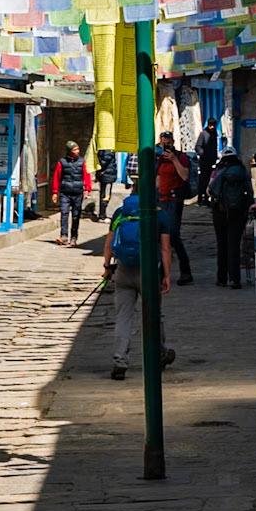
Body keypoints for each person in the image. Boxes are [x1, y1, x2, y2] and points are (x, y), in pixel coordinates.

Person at [102, 191, 174, 382]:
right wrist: (166, 274)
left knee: (123, 318)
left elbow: (109, 243)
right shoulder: (159, 214)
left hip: (124, 270)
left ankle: (120, 362)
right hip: (149, 272)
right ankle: (158, 355)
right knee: (153, 314)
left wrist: (107, 267)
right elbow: (166, 248)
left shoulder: (121, 213)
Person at [208, 143, 252, 289]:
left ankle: (222, 278)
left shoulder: (219, 171)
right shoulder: (242, 171)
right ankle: (235, 279)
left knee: (222, 244)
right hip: (238, 212)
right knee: (234, 244)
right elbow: (249, 192)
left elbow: (210, 190)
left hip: (220, 211)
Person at [155, 131, 193, 285]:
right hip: (161, 199)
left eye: (169, 143)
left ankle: (184, 271)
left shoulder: (181, 157)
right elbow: (157, 178)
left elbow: (185, 176)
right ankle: (163, 271)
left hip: (174, 199)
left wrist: (174, 160)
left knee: (172, 235)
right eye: (164, 143)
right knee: (162, 236)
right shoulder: (159, 159)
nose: (167, 146)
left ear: (173, 142)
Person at [52, 141, 92, 245]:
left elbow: (86, 176)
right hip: (65, 192)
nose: (77, 151)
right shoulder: (62, 162)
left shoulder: (82, 162)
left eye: (78, 149)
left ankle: (74, 237)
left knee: (76, 215)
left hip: (78, 192)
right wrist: (55, 192)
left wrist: (87, 189)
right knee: (64, 213)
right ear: (69, 151)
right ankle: (64, 236)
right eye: (75, 150)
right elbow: (57, 177)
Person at [194, 119, 219, 207]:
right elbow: (198, 147)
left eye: (213, 125)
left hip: (211, 161)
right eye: (210, 125)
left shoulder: (214, 134)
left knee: (209, 180)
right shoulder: (204, 134)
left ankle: (206, 198)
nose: (212, 127)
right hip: (204, 162)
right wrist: (203, 154)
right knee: (203, 181)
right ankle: (200, 198)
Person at [94, 147, 117, 223]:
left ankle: (102, 214)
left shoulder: (103, 150)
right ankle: (102, 216)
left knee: (103, 194)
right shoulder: (108, 150)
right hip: (107, 175)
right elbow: (104, 161)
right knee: (106, 195)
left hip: (106, 175)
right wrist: (101, 170)